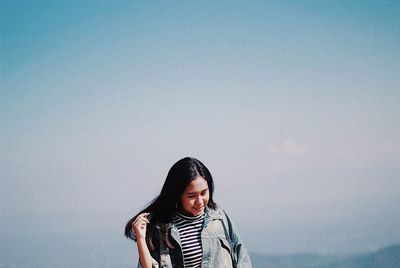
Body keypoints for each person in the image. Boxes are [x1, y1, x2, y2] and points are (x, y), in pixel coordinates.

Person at [124, 157, 252, 268]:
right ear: (177, 194)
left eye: (204, 193)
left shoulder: (219, 218)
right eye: (191, 196)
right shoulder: (162, 228)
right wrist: (141, 239)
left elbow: (242, 257)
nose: (199, 201)